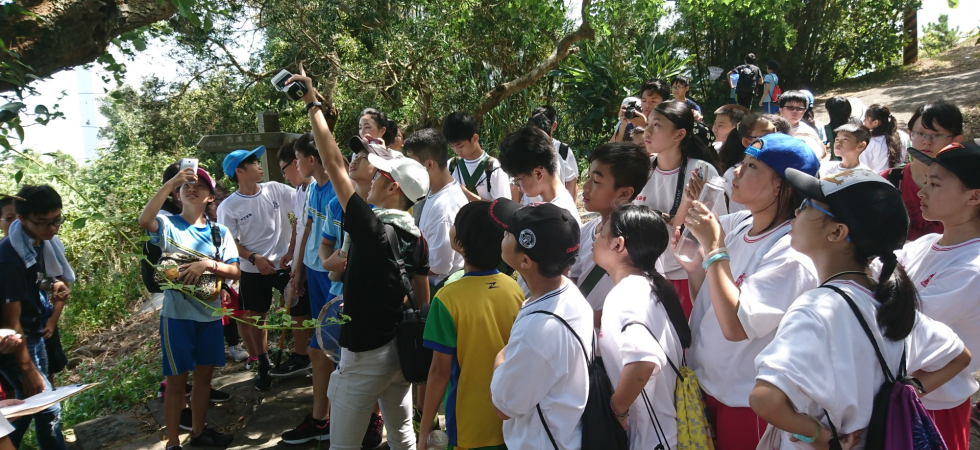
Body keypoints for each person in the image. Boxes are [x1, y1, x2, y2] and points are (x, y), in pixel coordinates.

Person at [750, 168, 970, 449]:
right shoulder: (886, 300)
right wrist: (903, 394)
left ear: (837, 232)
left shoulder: (815, 308)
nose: (796, 212)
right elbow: (959, 357)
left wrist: (819, 436)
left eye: (807, 205)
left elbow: (765, 399)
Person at [289, 64, 431, 450]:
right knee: (402, 436)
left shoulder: (371, 230)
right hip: (399, 352)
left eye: (380, 173)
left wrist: (313, 104)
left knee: (343, 445)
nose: (370, 176)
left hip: (364, 355)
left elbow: (334, 165)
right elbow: (421, 300)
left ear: (391, 186)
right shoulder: (416, 237)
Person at [680, 134, 820, 450]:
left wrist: (714, 248)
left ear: (781, 185)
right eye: (741, 162)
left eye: (752, 166)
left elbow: (735, 326)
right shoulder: (741, 224)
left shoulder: (790, 253)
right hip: (708, 385)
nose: (736, 171)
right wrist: (695, 267)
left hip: (746, 402)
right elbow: (710, 305)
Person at [137, 168, 241, 450]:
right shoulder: (167, 225)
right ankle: (173, 443)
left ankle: (198, 432)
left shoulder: (219, 232)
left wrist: (208, 264)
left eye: (200, 186)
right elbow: (144, 220)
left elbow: (235, 271)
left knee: (204, 378)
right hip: (177, 317)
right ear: (176, 194)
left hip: (210, 315)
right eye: (186, 186)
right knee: (176, 382)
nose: (192, 189)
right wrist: (172, 181)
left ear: (211, 197)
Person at [893, 141, 980, 450]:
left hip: (933, 409)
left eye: (935, 184)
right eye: (926, 181)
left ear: (974, 196)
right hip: (901, 397)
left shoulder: (972, 268)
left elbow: (897, 326)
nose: (921, 192)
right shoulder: (924, 243)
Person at [417, 201, 524, 450]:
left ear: (459, 242)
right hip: (509, 421)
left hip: (467, 426)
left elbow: (439, 372)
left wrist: (424, 431)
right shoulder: (514, 289)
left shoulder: (446, 298)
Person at [488, 199, 592, 450]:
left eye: (508, 233)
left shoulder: (537, 333)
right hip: (567, 435)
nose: (503, 235)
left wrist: (501, 357)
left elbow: (503, 408)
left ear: (525, 261)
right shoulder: (570, 293)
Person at [593, 205, 690, 448]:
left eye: (602, 232)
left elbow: (644, 360)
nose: (595, 237)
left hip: (651, 440)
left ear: (618, 244)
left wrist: (616, 409)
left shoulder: (627, 294)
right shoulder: (646, 286)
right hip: (665, 435)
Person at [216, 146, 295, 391]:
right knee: (257, 317)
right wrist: (254, 258)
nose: (260, 166)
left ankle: (301, 355)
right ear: (239, 171)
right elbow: (230, 242)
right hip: (252, 270)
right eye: (253, 163)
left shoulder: (275, 189)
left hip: (284, 264)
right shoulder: (228, 207)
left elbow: (303, 201)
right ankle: (262, 362)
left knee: (299, 305)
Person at [636, 101, 724, 318]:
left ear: (679, 134)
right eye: (648, 124)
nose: (647, 131)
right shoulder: (640, 168)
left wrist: (684, 206)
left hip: (686, 274)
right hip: (646, 272)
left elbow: (718, 228)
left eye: (657, 125)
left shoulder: (701, 171)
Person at [0, 186, 69, 450]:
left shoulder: (38, 243)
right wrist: (28, 370)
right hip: (14, 342)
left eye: (56, 220)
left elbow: (34, 280)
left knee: (30, 404)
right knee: (47, 406)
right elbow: (11, 323)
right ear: (22, 219)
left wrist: (52, 284)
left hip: (33, 331)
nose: (52, 228)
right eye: (43, 223)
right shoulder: (9, 258)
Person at [570, 142, 651, 325]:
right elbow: (575, 276)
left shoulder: (639, 242)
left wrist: (581, 318)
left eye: (596, 181)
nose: (586, 187)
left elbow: (639, 303)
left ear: (624, 193)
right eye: (588, 177)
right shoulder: (586, 230)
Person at [882, 102, 963, 241]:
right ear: (910, 134)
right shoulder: (887, 180)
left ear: (956, 140)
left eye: (937, 135)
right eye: (920, 133)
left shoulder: (969, 185)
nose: (927, 141)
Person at [270, 140, 314, 378]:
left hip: (313, 262)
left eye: (284, 169)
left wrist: (300, 266)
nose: (284, 175)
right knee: (297, 305)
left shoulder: (315, 188)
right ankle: (301, 355)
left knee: (310, 308)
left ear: (296, 163)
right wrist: (291, 251)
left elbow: (311, 228)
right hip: (300, 260)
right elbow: (298, 222)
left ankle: (314, 357)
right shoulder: (300, 190)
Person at [404, 128, 467, 289]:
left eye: (412, 163)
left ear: (429, 164)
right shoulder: (436, 191)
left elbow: (439, 265)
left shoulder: (443, 207)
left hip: (437, 288)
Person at [498, 126, 581, 224]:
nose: (517, 186)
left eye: (518, 180)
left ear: (538, 174)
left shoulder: (555, 217)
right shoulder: (557, 204)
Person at [441, 111, 513, 202]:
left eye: (460, 146)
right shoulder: (451, 165)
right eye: (452, 146)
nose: (457, 151)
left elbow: (503, 206)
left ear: (475, 138)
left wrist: (466, 193)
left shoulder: (494, 168)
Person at [719, 114, 784, 214]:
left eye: (775, 133)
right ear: (746, 142)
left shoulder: (780, 166)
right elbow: (739, 214)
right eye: (765, 135)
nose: (774, 139)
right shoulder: (733, 174)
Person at [528, 106, 579, 201]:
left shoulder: (563, 151)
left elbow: (572, 179)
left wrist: (569, 206)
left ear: (554, 125)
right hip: (530, 208)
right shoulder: (525, 152)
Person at [612, 79, 671, 143]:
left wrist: (644, 126)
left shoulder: (670, 124)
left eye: (653, 101)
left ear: (665, 103)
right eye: (644, 101)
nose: (647, 105)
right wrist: (623, 125)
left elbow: (666, 145)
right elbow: (612, 146)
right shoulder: (632, 124)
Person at [778, 90, 825, 158]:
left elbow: (816, 155)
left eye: (799, 108)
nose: (794, 111)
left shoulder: (808, 132)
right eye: (790, 108)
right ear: (781, 109)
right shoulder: (771, 129)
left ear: (804, 111)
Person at [861, 104, 904, 172]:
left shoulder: (870, 142)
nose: (864, 121)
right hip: (899, 175)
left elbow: (863, 167)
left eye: (866, 118)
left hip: (878, 177)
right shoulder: (902, 135)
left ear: (875, 122)